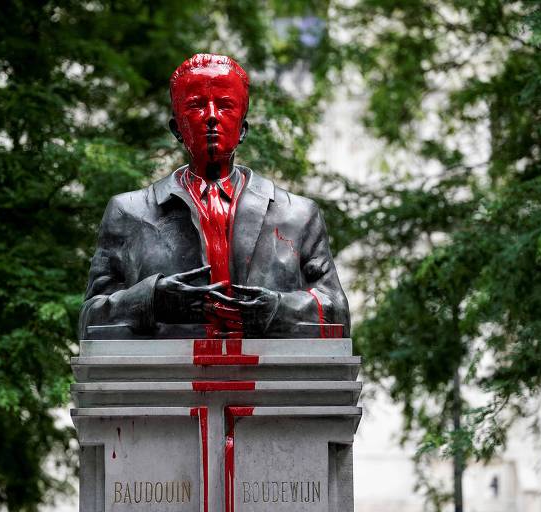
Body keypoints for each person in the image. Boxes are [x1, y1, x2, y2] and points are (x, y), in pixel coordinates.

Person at [79, 53, 349, 339]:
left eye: (224, 105)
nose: (210, 116)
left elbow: (338, 316)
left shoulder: (297, 215)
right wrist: (151, 301)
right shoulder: (129, 212)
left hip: (269, 377)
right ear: (176, 129)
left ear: (243, 129)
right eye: (196, 106)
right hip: (166, 379)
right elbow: (89, 324)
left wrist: (278, 310)